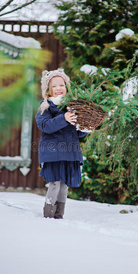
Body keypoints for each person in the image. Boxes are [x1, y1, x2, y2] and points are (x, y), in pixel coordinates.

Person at [35, 68, 87, 219]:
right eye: (54, 86)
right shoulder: (45, 106)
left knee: (64, 185)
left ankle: (59, 216)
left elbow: (76, 132)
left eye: (61, 85)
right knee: (55, 183)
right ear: (48, 90)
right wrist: (63, 118)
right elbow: (45, 126)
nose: (58, 89)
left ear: (66, 87)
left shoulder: (72, 106)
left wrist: (86, 127)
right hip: (53, 153)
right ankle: (48, 215)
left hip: (70, 152)